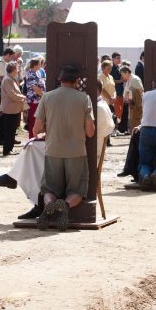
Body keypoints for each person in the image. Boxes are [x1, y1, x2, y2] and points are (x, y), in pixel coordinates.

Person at [0, 80, 114, 220]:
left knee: (34, 154)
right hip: (79, 150)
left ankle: (38, 201)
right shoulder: (97, 104)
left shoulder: (95, 106)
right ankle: (37, 199)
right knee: (35, 154)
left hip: (82, 154)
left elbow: (85, 133)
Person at [32, 65, 95, 231]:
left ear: (60, 80)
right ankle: (65, 206)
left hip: (53, 149)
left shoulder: (47, 97)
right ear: (76, 81)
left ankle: (50, 205)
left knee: (49, 188)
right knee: (78, 191)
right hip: (76, 152)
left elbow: (35, 129)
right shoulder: (84, 98)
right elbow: (90, 132)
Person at [0, 62, 26, 156]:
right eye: (17, 69)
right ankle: (7, 150)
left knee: (12, 130)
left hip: (14, 109)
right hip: (9, 109)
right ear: (13, 70)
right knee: (9, 130)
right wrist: (23, 97)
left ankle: (10, 148)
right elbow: (12, 94)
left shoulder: (11, 79)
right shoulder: (7, 80)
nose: (18, 70)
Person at [25, 57, 46, 138]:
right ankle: (32, 137)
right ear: (35, 65)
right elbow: (35, 88)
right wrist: (44, 96)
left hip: (38, 100)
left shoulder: (37, 73)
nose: (41, 65)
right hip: (33, 101)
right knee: (33, 120)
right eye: (40, 63)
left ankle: (36, 136)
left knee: (38, 120)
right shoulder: (30, 74)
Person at [120, 66, 144, 131]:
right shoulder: (130, 79)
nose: (122, 76)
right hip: (132, 105)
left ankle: (136, 138)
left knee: (136, 123)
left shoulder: (134, 79)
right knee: (133, 124)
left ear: (127, 72)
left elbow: (141, 91)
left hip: (136, 106)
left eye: (122, 74)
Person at [111, 52, 128, 134]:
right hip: (116, 93)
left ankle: (116, 130)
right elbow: (112, 80)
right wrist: (121, 80)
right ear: (113, 58)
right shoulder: (111, 68)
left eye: (120, 58)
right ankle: (114, 130)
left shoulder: (118, 67)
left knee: (119, 112)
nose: (119, 59)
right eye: (118, 58)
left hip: (120, 92)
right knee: (116, 112)